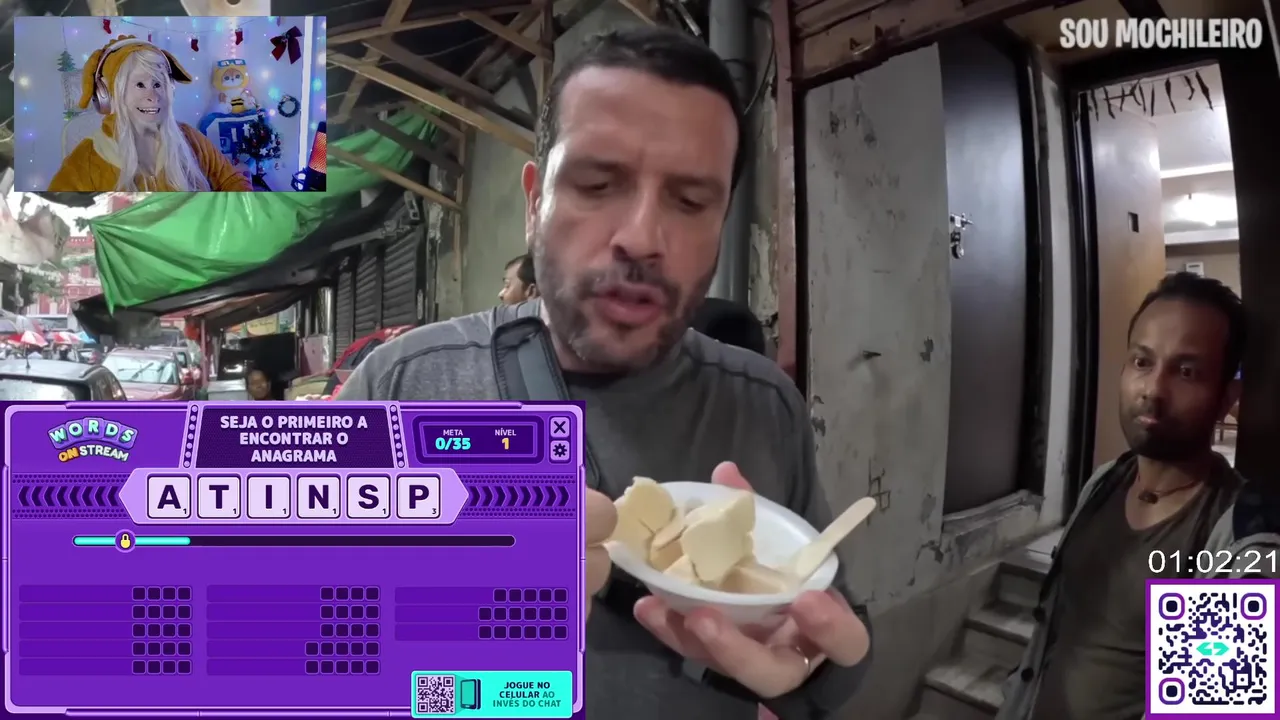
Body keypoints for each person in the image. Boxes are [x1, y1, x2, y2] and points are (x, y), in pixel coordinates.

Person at [338, 27, 870, 719]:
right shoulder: (400, 387)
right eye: (596, 185)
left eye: (690, 201)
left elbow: (829, 637)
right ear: (535, 201)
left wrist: (810, 679)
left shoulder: (764, 404)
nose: (642, 238)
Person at [1000, 272, 1280, 720]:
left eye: (1186, 371)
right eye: (1142, 362)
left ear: (1227, 397)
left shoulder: (1241, 536)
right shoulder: (1106, 481)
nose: (1153, 390)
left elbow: (1215, 708)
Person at [47, 35, 251, 193]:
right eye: (140, 84)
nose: (153, 96)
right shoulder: (86, 161)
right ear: (107, 95)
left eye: (158, 84)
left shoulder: (189, 138)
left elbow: (232, 180)